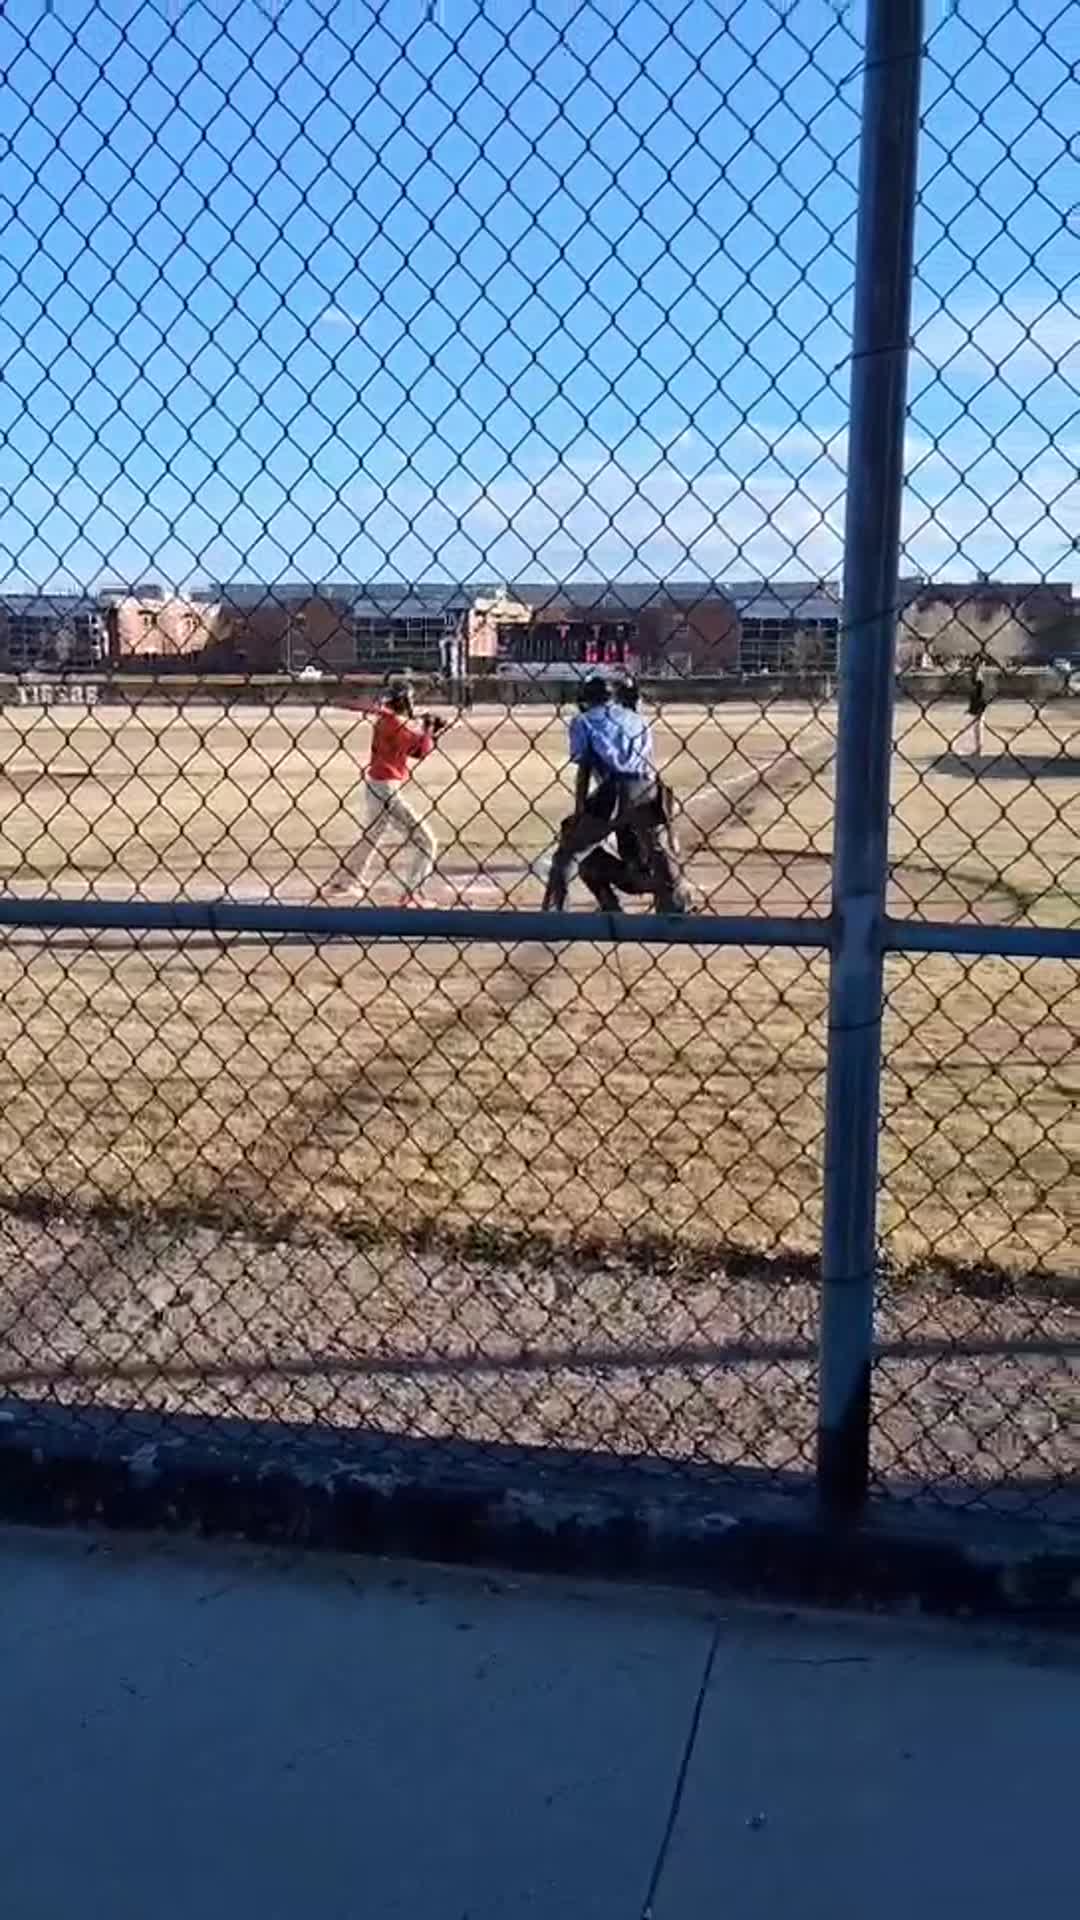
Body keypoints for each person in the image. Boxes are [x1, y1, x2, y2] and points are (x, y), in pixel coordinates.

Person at [541, 673, 690, 914]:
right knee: (658, 851)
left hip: (615, 789)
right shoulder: (637, 719)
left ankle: (556, 913)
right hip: (648, 787)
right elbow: (647, 761)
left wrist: (581, 809)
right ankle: (675, 906)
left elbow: (585, 766)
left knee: (569, 855)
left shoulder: (584, 721)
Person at [326, 678, 447, 905]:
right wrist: (430, 730)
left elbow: (416, 744)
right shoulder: (394, 725)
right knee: (426, 840)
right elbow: (419, 751)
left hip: (375, 784)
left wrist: (429, 730)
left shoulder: (389, 721)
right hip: (386, 788)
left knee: (373, 834)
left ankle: (345, 881)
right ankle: (411, 893)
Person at [967, 662, 988, 757]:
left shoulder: (979, 684)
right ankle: (978, 748)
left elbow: (981, 698)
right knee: (976, 730)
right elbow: (974, 698)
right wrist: (970, 709)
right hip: (977, 710)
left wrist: (980, 710)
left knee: (978, 729)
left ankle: (979, 749)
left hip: (979, 711)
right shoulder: (976, 684)